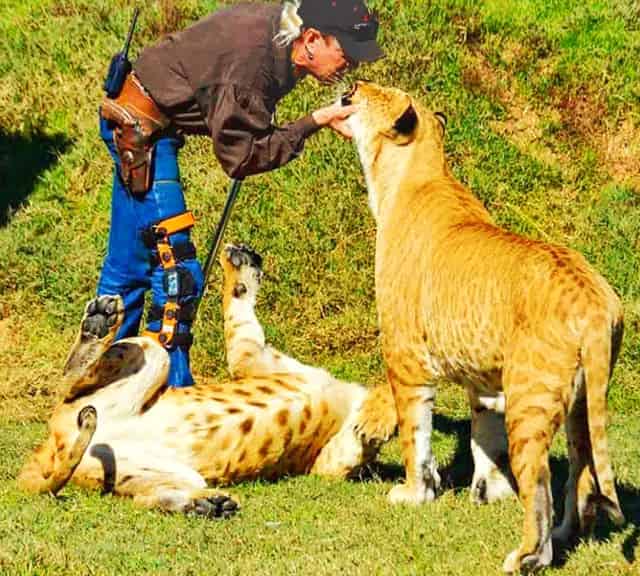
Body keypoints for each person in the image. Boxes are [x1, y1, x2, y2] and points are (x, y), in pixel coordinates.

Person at [95, 0, 384, 387]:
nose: (353, 65)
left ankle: (100, 386)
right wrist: (312, 122)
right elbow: (242, 156)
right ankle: (176, 400)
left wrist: (314, 120)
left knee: (128, 269)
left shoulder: (284, 32)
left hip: (137, 117)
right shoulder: (252, 65)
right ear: (312, 39)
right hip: (143, 134)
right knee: (179, 275)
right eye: (347, 52)